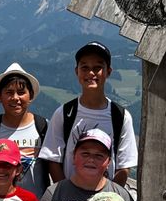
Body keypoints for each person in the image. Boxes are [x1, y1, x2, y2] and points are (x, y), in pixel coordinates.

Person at [39, 41, 137, 186]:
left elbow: (124, 166)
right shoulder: (64, 113)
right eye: (84, 67)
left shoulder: (121, 116)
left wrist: (110, 195)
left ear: (108, 71)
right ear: (76, 71)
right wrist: (65, 193)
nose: (91, 73)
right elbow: (53, 159)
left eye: (97, 68)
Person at [0, 62, 49, 197]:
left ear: (30, 95)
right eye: (9, 92)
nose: (15, 98)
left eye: (21, 92)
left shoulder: (43, 127)